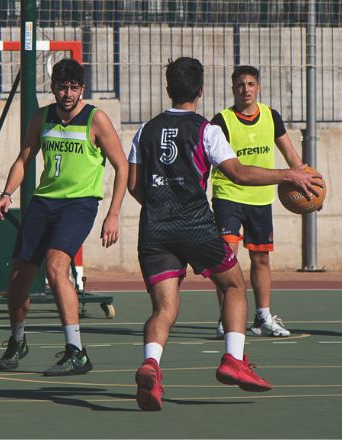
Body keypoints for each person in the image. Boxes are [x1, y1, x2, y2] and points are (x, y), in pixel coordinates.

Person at [127, 57, 322, 411]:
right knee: (233, 285)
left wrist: (160, 204)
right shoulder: (207, 130)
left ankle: (151, 364)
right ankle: (234, 358)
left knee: (164, 308)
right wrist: (287, 175)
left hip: (154, 229)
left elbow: (134, 186)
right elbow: (238, 173)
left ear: (168, 89)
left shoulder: (144, 131)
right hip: (196, 226)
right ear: (201, 91)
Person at [0, 58, 128, 375]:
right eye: (62, 87)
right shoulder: (42, 117)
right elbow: (24, 158)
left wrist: (114, 214)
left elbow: (122, 166)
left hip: (79, 204)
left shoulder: (96, 119)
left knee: (56, 267)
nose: (67, 93)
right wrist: (6, 193)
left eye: (73, 88)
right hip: (43, 203)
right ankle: (18, 341)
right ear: (52, 88)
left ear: (82, 89)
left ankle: (76, 351)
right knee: (18, 282)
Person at [210, 65, 322, 339]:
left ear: (258, 87)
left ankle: (262, 317)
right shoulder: (222, 120)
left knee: (260, 258)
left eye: (250, 84)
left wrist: (312, 187)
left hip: (260, 198)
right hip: (228, 195)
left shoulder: (271, 117)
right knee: (228, 259)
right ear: (233, 88)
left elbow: (293, 159)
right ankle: (227, 317)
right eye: (240, 84)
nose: (245, 89)